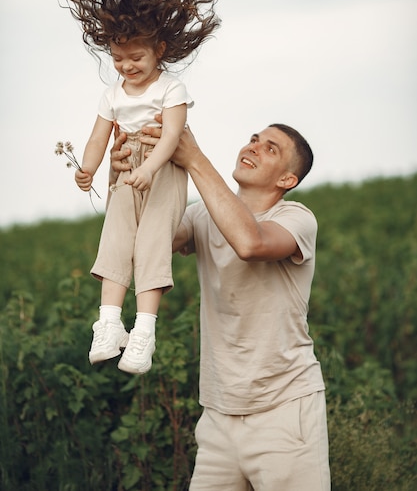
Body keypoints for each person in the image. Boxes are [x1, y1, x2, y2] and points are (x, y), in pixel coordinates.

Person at [111, 118, 331, 490]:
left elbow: (251, 244)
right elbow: (136, 240)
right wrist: (124, 175)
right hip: (217, 416)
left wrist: (195, 159)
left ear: (287, 181)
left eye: (270, 148)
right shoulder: (201, 216)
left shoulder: (296, 218)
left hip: (284, 410)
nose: (253, 147)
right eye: (254, 139)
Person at [46, 0, 220, 374]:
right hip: (125, 171)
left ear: (159, 50)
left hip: (161, 168)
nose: (126, 66)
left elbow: (173, 137)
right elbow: (99, 135)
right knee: (116, 239)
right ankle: (108, 323)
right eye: (118, 58)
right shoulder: (111, 94)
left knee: (151, 244)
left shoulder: (172, 89)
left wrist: (149, 167)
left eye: (136, 57)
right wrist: (87, 169)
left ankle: (144, 330)